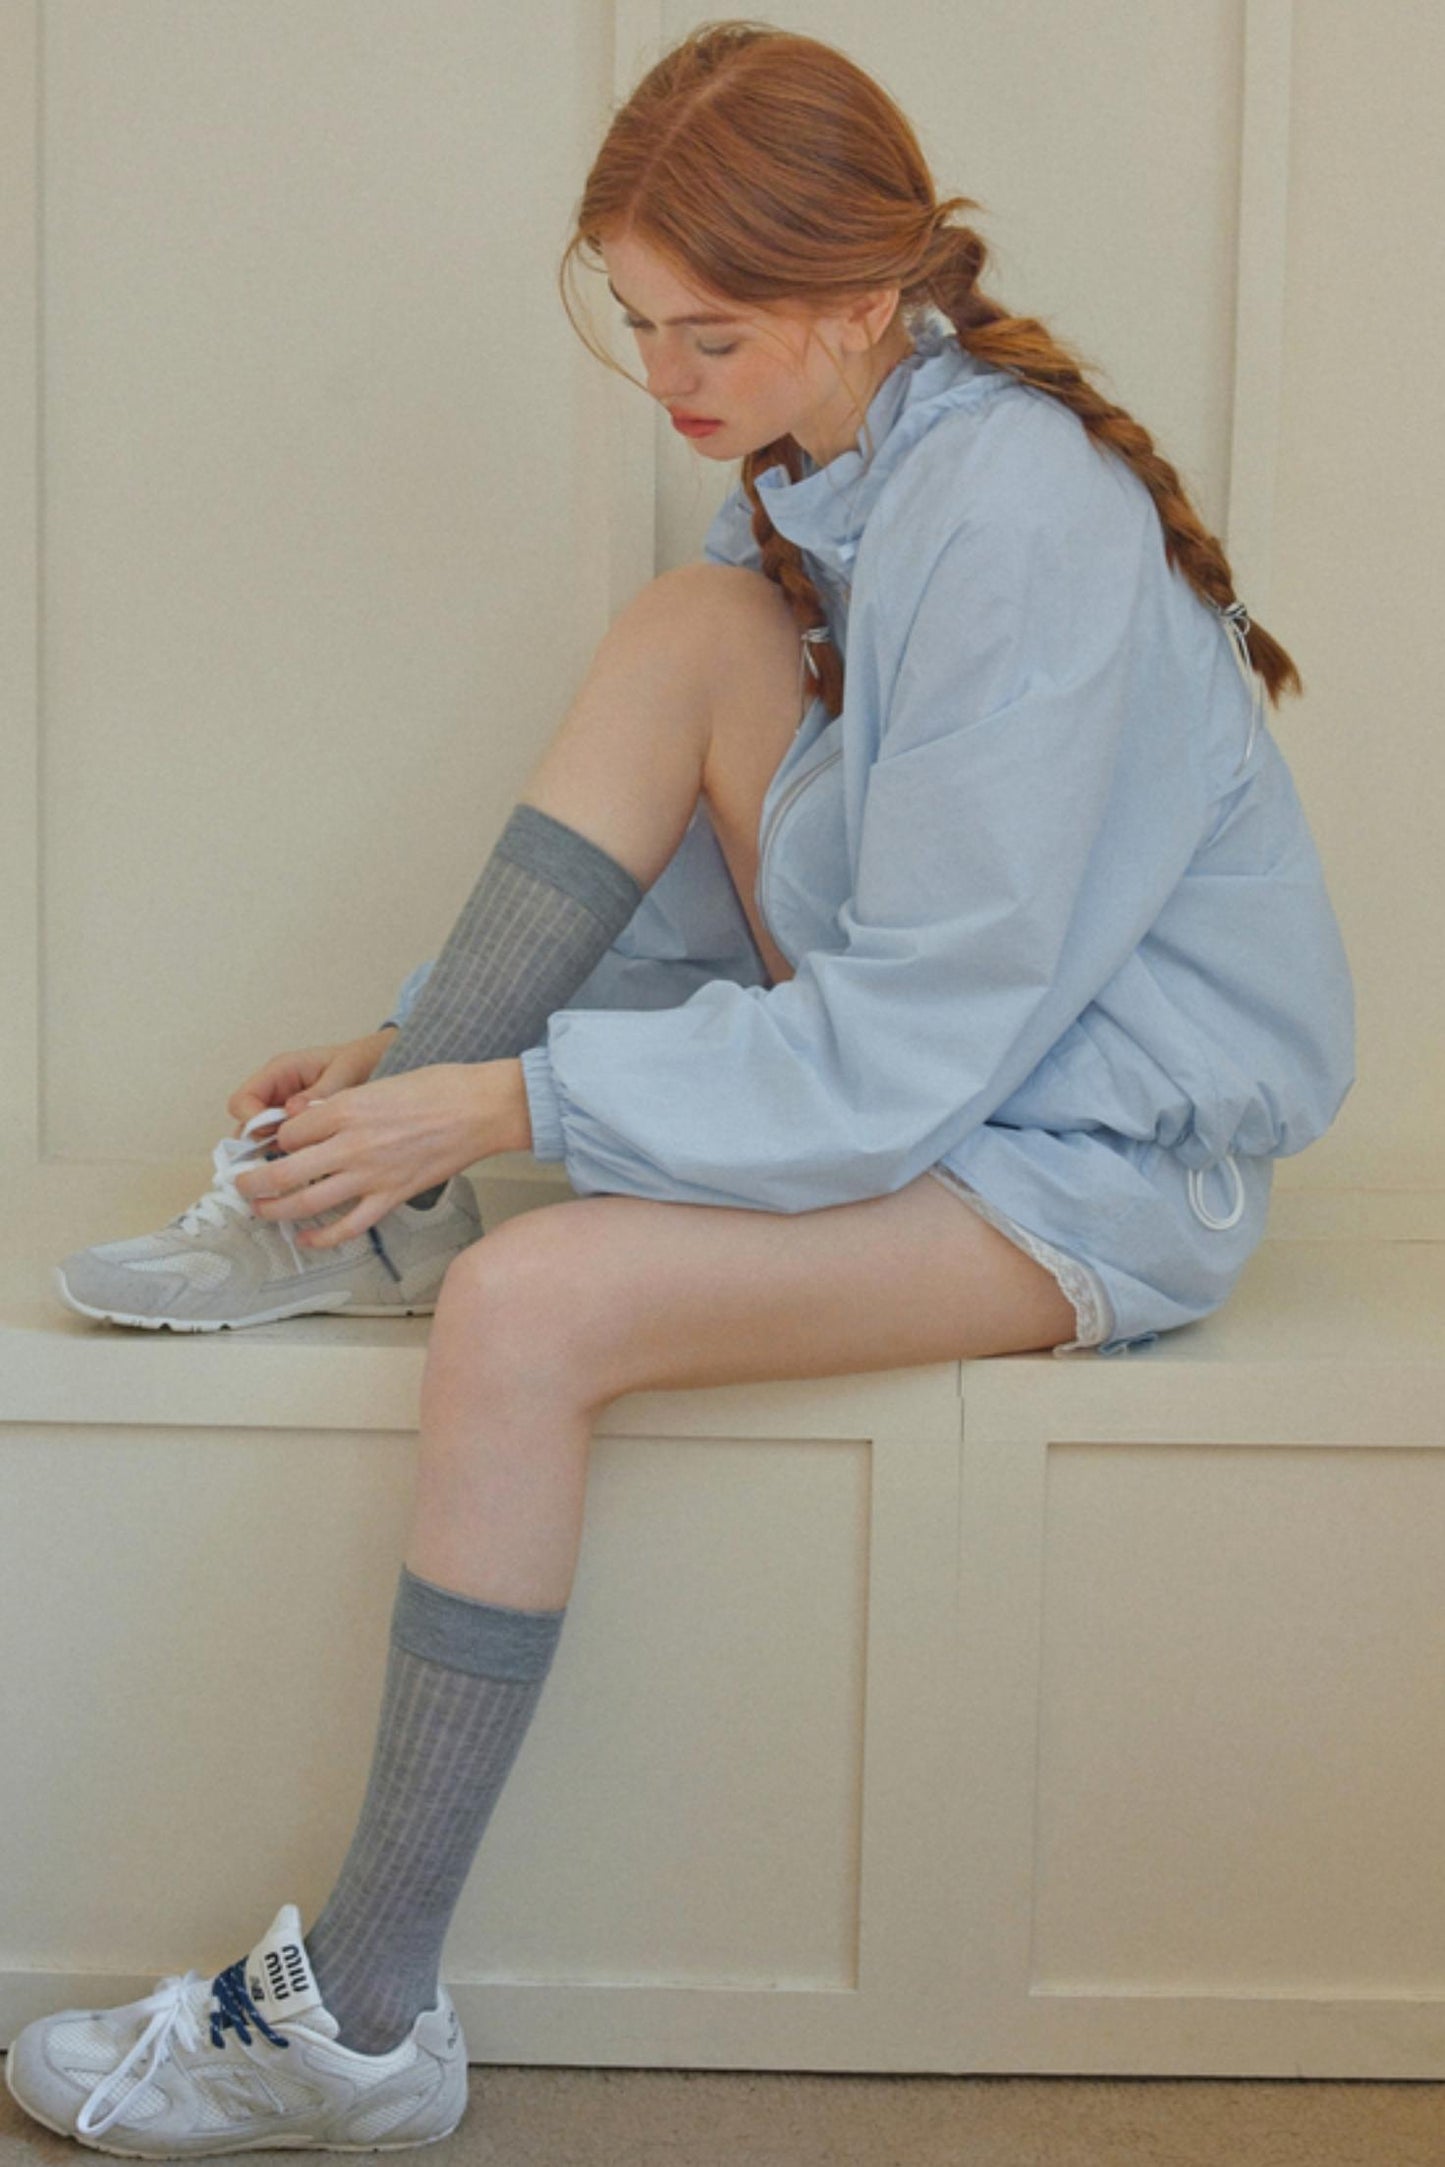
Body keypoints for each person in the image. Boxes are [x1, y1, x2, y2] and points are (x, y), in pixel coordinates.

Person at [11, 19, 1354, 2155]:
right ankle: (371, 1193)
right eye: (639, 324)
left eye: (708, 332)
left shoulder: (1016, 514)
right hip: (956, 1071)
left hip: (1081, 1159)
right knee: (685, 630)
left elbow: (913, 1038)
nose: (666, 378)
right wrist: (422, 1060)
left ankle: (364, 2019)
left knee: (527, 1309)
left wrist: (506, 1108)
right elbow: (765, 882)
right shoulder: (839, 464)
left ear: (862, 293)